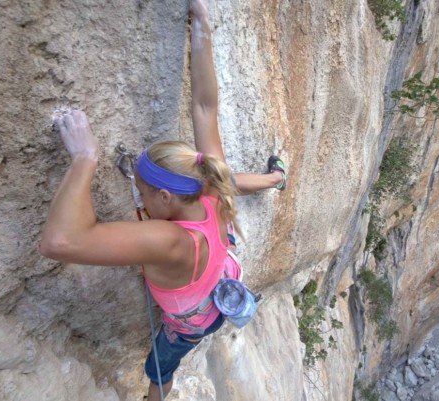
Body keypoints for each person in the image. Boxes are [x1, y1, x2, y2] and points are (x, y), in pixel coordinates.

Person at [40, 1, 286, 399]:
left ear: (167, 197)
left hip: (189, 324)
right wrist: (202, 23)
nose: (140, 197)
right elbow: (205, 108)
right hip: (223, 284)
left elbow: (60, 242)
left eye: (143, 191)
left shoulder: (169, 242)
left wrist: (85, 160)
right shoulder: (211, 188)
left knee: (158, 369)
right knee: (232, 182)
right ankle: (277, 178)